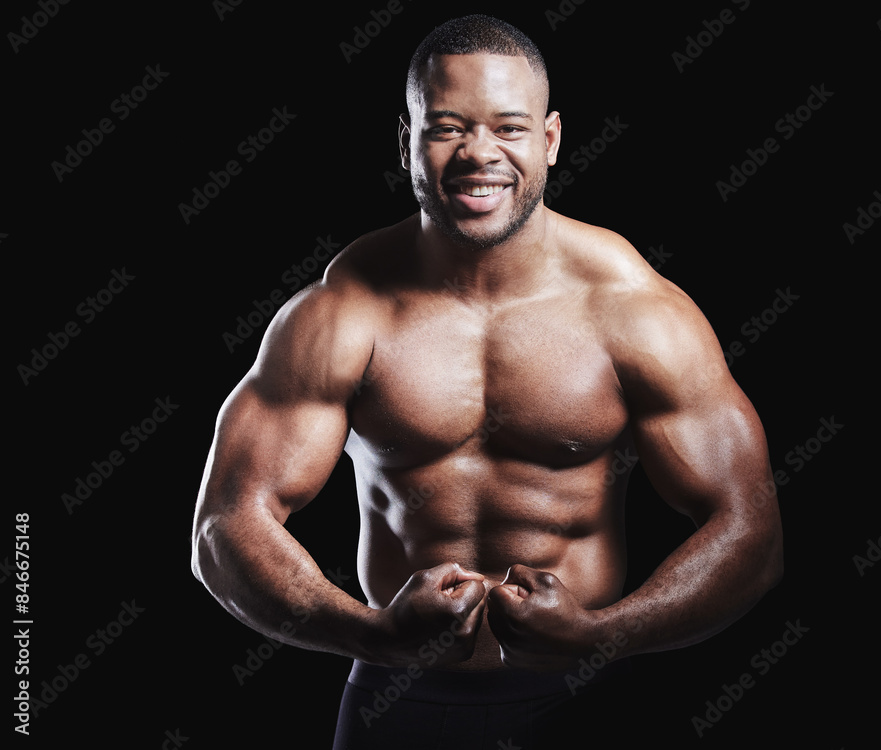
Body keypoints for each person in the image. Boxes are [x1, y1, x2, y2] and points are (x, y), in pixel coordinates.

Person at [190, 14, 783, 748]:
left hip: (587, 700)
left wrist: (603, 634)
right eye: (446, 128)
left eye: (508, 128)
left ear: (551, 140)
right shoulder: (342, 313)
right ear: (406, 142)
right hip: (396, 697)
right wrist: (372, 636)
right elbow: (225, 524)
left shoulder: (634, 310)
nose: (479, 154)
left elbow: (750, 529)